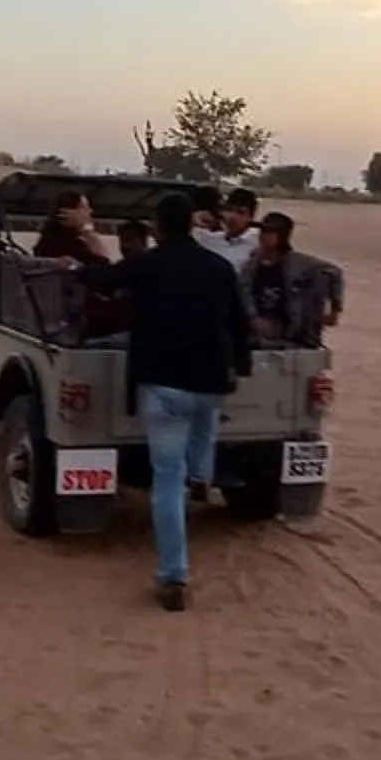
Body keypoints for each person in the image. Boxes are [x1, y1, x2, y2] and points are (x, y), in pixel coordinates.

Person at [99, 190, 253, 610]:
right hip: (210, 386)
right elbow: (241, 325)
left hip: (164, 387)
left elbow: (104, 280)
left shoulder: (147, 265)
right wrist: (239, 369)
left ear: (159, 226)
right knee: (198, 446)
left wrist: (86, 239)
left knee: (166, 482)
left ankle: (173, 576)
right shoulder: (219, 266)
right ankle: (201, 474)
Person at [243, 211, 335, 346]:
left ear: (282, 236)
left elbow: (333, 272)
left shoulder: (298, 263)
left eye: (269, 232)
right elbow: (243, 290)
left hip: (286, 332)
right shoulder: (252, 264)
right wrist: (252, 317)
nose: (262, 236)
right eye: (262, 231)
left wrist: (334, 311)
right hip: (254, 329)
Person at [195, 187, 261, 274]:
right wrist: (195, 218)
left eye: (240, 212)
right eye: (229, 210)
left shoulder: (258, 241)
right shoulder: (208, 239)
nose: (233, 217)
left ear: (251, 216)